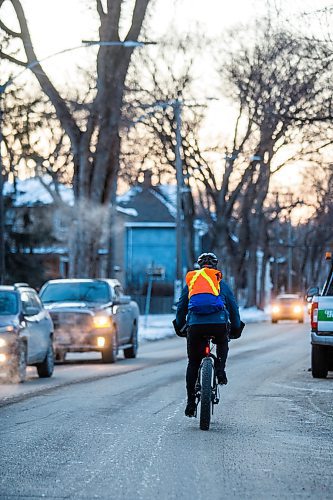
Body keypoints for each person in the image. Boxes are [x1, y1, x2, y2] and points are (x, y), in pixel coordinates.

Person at [175, 252, 241, 417]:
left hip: (195, 327)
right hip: (218, 324)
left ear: (199, 267)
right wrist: (236, 327)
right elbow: (233, 307)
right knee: (222, 341)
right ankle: (220, 369)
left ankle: (191, 403)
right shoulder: (221, 283)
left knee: (193, 362)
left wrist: (180, 325)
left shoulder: (192, 282)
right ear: (215, 267)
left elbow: (181, 306)